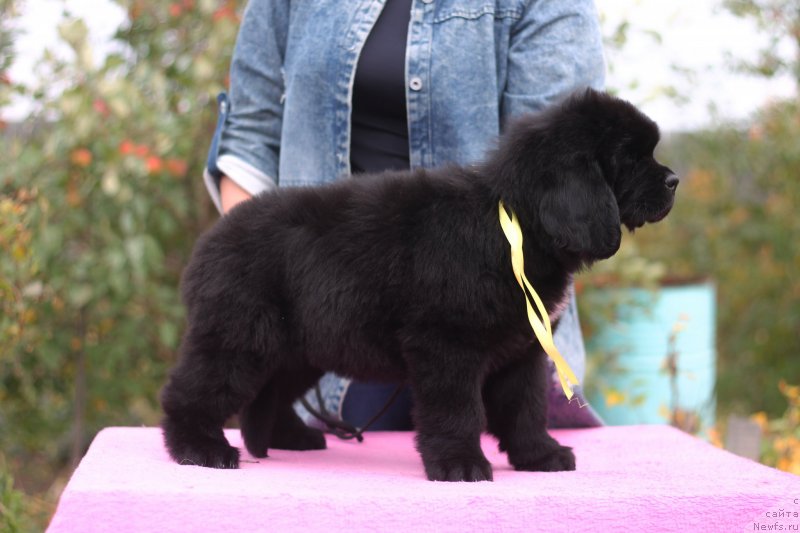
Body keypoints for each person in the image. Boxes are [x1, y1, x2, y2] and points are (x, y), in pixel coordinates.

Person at [203, 0, 606, 433]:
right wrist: (266, 285)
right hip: (337, 337)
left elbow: (554, 169)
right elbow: (250, 135)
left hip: (495, 349)